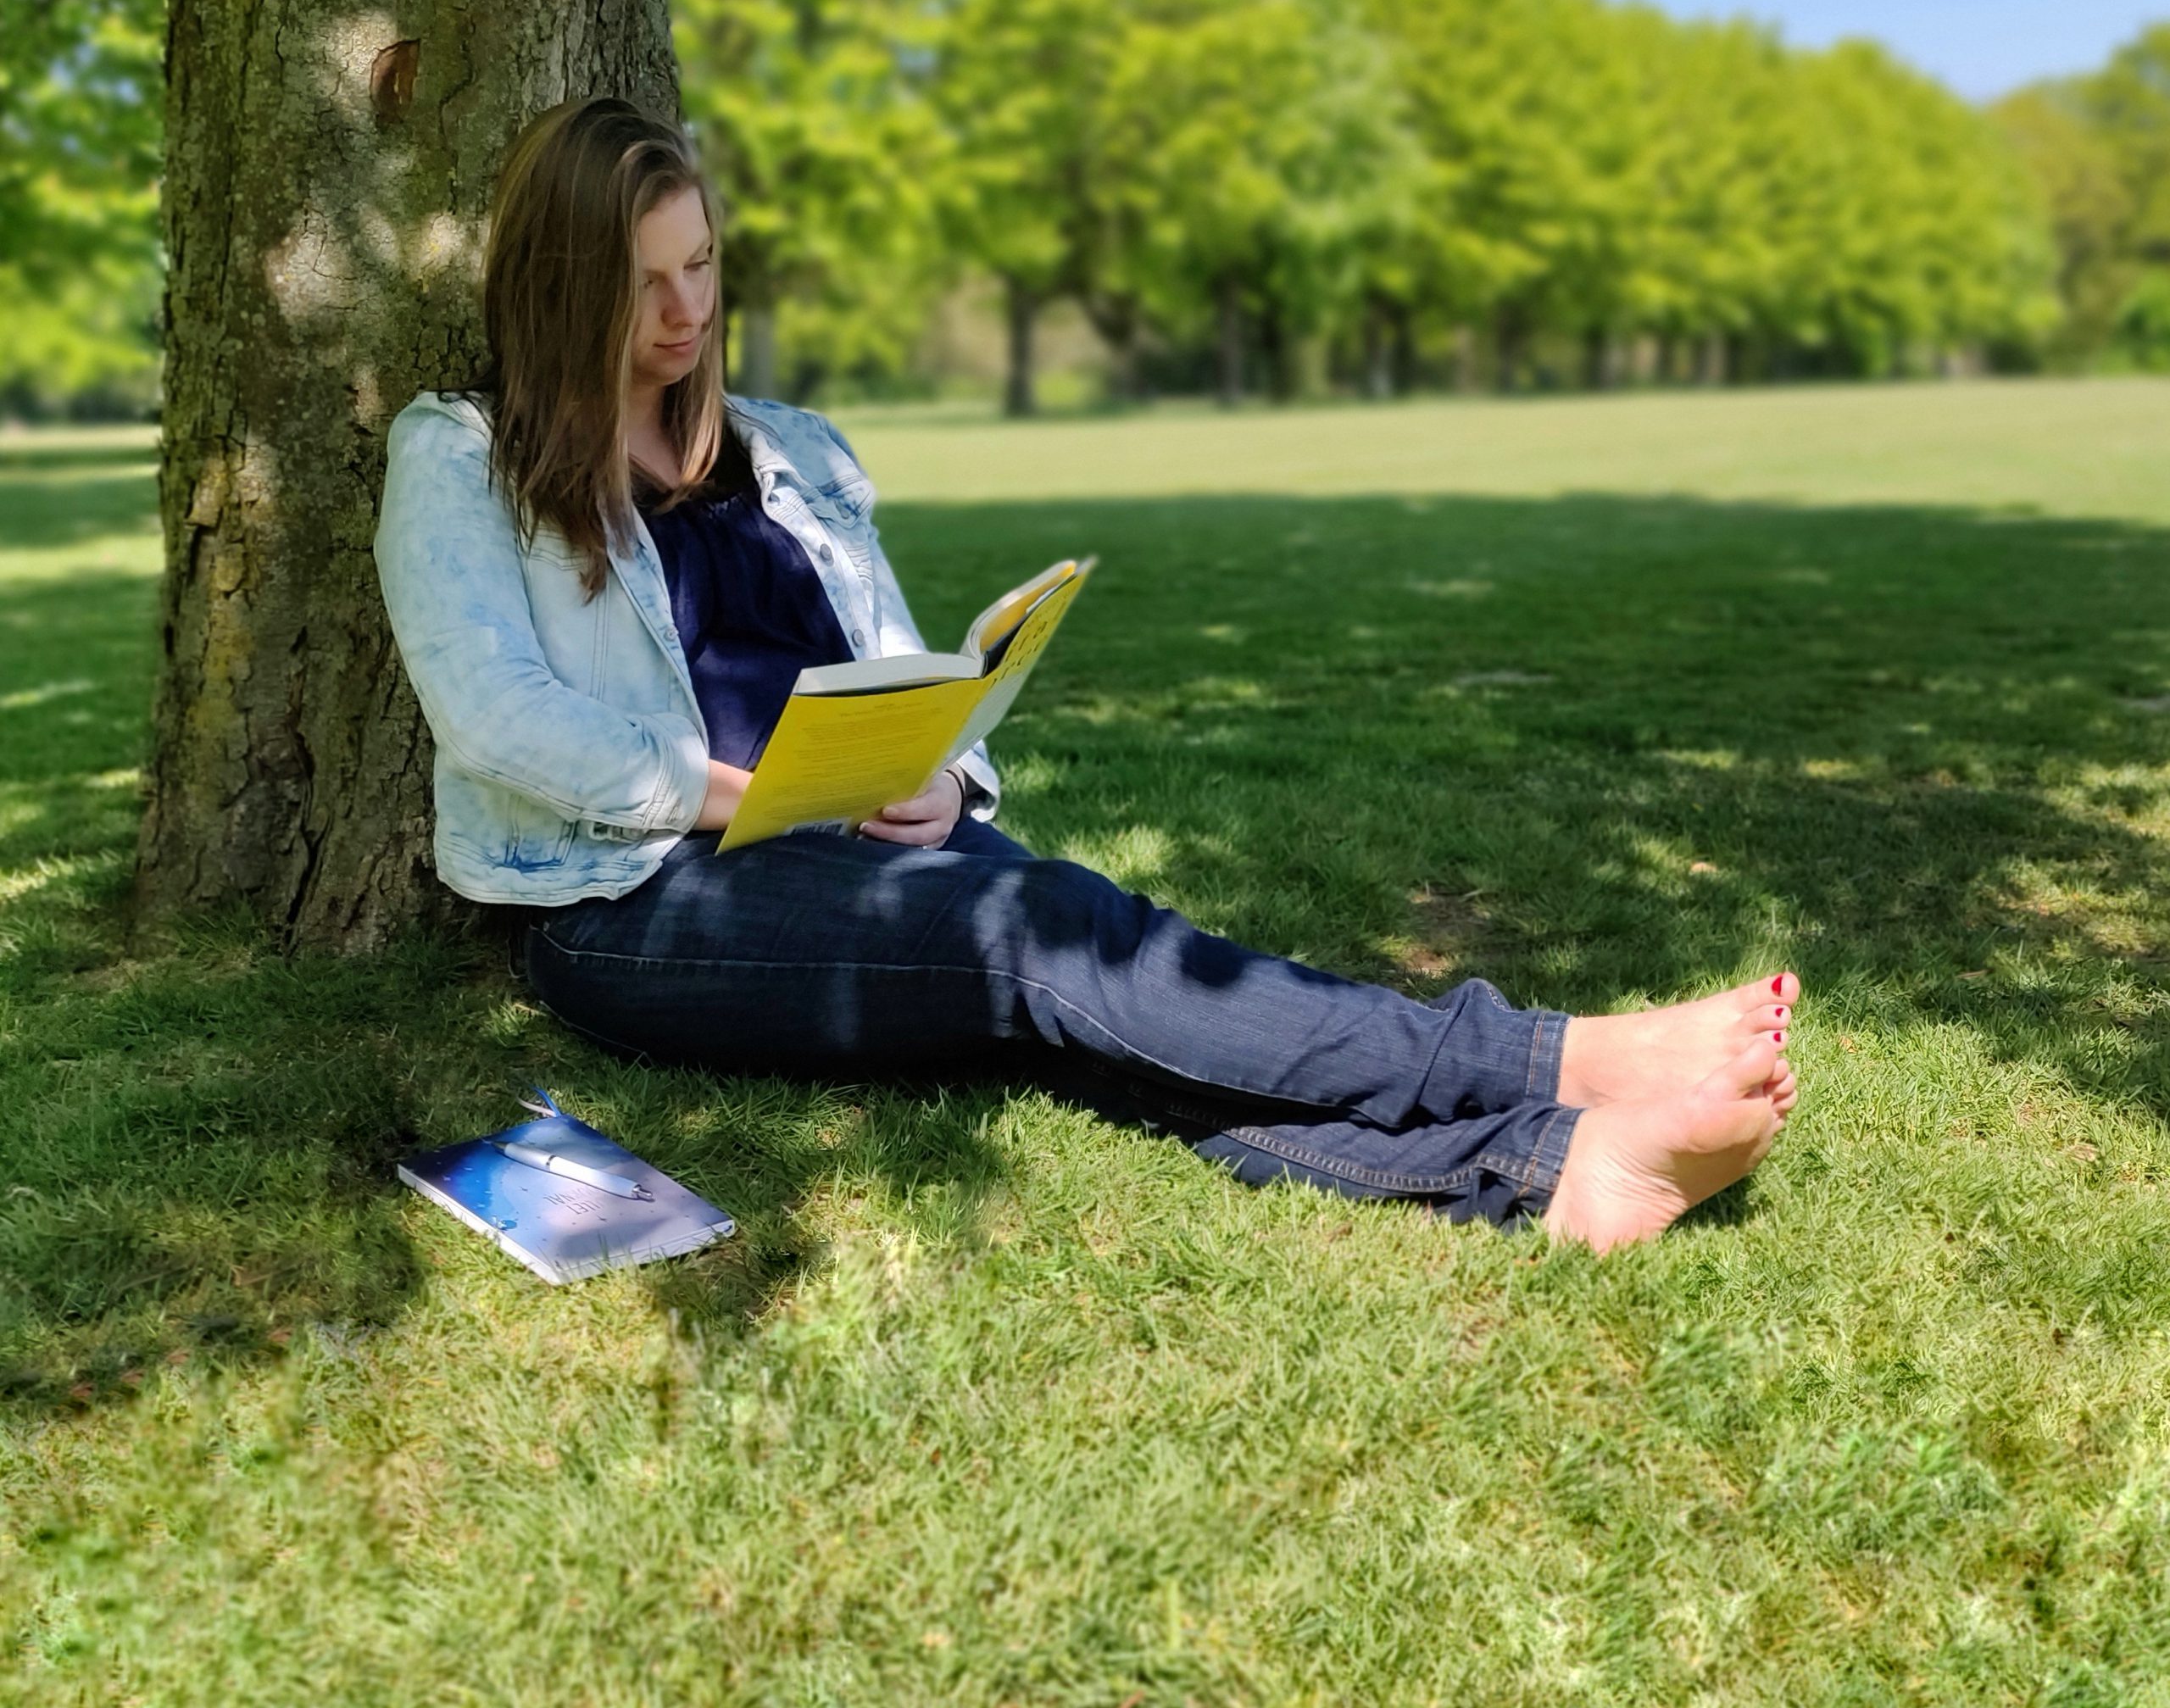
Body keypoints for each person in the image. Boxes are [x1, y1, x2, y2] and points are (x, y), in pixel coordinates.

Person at [373, 98, 1799, 1251]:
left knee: (1063, 1009)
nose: (685, 313)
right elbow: (497, 716)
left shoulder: (786, 444)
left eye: (702, 267)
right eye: (641, 284)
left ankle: (1552, 1177)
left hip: (864, 844)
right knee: (1039, 937)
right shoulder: (463, 457)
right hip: (637, 904)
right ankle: (1548, 1061)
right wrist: (735, 795)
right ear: (561, 288)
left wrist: (940, 775)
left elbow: (899, 664)